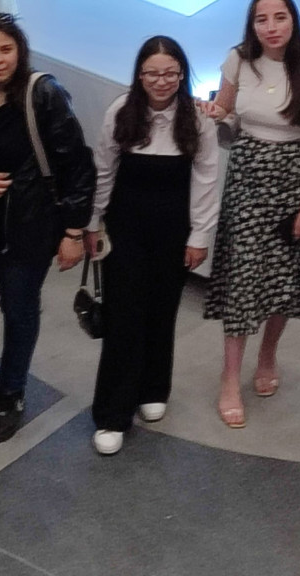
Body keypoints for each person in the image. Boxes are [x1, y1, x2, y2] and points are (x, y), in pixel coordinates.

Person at [0, 14, 93, 444]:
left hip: (28, 227)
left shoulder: (42, 93)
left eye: (5, 50)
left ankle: (10, 393)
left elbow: (76, 164)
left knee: (19, 310)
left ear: (20, 51)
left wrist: (73, 232)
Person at [88, 37, 222, 455]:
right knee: (123, 316)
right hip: (125, 228)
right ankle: (112, 414)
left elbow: (206, 180)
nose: (161, 81)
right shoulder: (121, 111)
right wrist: (91, 223)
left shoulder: (197, 120)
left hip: (174, 230)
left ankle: (153, 389)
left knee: (163, 311)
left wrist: (200, 237)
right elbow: (103, 171)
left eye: (170, 73)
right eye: (152, 73)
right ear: (140, 75)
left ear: (182, 75)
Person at [200, 0, 300, 428]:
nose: (271, 27)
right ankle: (230, 377)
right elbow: (227, 114)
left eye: (280, 17)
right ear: (252, 25)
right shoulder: (238, 60)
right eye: (262, 19)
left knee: (283, 280)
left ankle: (268, 354)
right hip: (248, 180)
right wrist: (216, 113)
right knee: (243, 277)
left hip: (294, 180)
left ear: (293, 20)